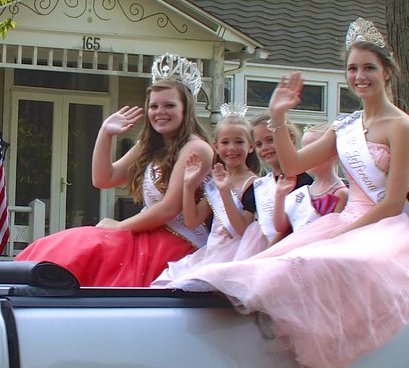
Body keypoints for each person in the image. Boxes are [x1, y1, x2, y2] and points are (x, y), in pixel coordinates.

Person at [159, 19, 409, 368]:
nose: (360, 76)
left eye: (369, 68)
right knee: (277, 264)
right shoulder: (348, 127)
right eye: (352, 68)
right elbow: (292, 163)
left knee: (318, 262)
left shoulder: (402, 126)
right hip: (344, 223)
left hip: (385, 226)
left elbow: (391, 201)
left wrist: (343, 231)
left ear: (386, 72)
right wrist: (278, 117)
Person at [15, 53, 215, 287]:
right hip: (149, 232)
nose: (160, 112)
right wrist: (105, 133)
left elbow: (169, 209)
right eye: (154, 106)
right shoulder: (149, 146)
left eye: (169, 105)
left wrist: (119, 226)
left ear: (186, 108)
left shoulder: (196, 148)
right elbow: (103, 178)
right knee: (72, 243)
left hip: (179, 240)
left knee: (93, 245)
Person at [151, 108, 259, 285]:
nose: (232, 148)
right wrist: (189, 185)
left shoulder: (254, 185)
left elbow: (243, 232)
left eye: (239, 142)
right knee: (167, 282)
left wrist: (225, 192)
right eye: (225, 142)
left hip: (236, 255)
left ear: (251, 146)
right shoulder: (215, 183)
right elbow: (192, 220)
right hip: (212, 252)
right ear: (216, 146)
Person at [242, 113, 313, 254]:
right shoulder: (257, 188)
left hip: (289, 250)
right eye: (259, 144)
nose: (265, 147)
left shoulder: (305, 183)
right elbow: (243, 229)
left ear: (289, 139)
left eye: (270, 140)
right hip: (258, 249)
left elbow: (291, 227)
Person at [271, 123, 349, 242]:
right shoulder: (304, 191)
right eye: (304, 148)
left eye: (313, 149)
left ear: (334, 154)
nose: (307, 154)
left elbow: (336, 236)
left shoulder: (341, 194)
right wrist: (279, 195)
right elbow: (280, 227)